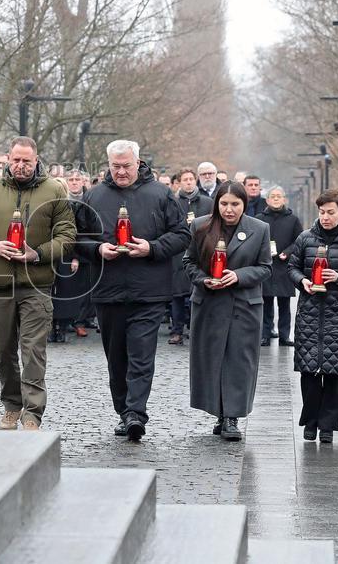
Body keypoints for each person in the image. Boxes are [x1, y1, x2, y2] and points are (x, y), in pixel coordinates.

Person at [78, 140, 190, 441]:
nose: (121, 171)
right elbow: (77, 238)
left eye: (126, 165)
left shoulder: (161, 194)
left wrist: (151, 248)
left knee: (141, 355)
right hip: (107, 290)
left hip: (149, 290)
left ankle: (135, 414)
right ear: (108, 165)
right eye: (115, 166)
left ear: (138, 162)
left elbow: (181, 234)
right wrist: (99, 247)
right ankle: (122, 411)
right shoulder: (94, 196)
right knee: (116, 359)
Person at [0, 137, 76, 430]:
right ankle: (12, 406)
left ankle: (33, 413)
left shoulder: (54, 190)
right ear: (7, 159)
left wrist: (37, 254)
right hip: (0, 285)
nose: (21, 165)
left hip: (36, 285)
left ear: (36, 159)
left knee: (33, 350)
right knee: (2, 349)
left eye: (26, 160)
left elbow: (67, 236)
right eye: (16, 160)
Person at [184, 181, 272, 441]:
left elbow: (266, 267)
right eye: (224, 204)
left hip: (244, 304)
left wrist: (239, 275)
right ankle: (219, 412)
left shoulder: (259, 229)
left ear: (244, 205)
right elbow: (188, 262)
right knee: (211, 360)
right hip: (209, 303)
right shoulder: (200, 226)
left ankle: (232, 417)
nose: (229, 209)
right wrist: (203, 279)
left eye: (235, 204)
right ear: (217, 204)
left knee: (238, 361)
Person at [288, 189, 338, 443]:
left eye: (330, 212)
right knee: (309, 371)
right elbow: (292, 268)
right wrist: (303, 282)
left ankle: (328, 426)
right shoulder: (304, 239)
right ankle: (310, 423)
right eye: (322, 212)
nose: (325, 217)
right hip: (309, 313)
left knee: (337, 373)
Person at [169, 168, 212, 345]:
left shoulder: (207, 202)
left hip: (201, 252)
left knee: (198, 293)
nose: (188, 182)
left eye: (191, 179)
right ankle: (177, 330)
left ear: (196, 181)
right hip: (178, 252)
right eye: (184, 179)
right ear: (179, 182)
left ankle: (196, 329)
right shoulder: (172, 202)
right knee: (177, 296)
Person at [257, 186, 303, 346]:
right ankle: (265, 334)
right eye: (273, 196)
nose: (276, 199)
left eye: (279, 196)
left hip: (284, 267)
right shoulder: (259, 218)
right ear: (267, 200)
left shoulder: (293, 219)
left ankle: (285, 336)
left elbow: (299, 240)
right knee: (265, 303)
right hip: (266, 266)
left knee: (284, 304)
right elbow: (254, 240)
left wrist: (288, 252)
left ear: (284, 199)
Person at [51, 169, 93, 341]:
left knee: (66, 293)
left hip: (66, 254)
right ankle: (52, 327)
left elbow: (75, 234)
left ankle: (64, 326)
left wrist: (75, 256)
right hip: (49, 253)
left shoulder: (73, 207)